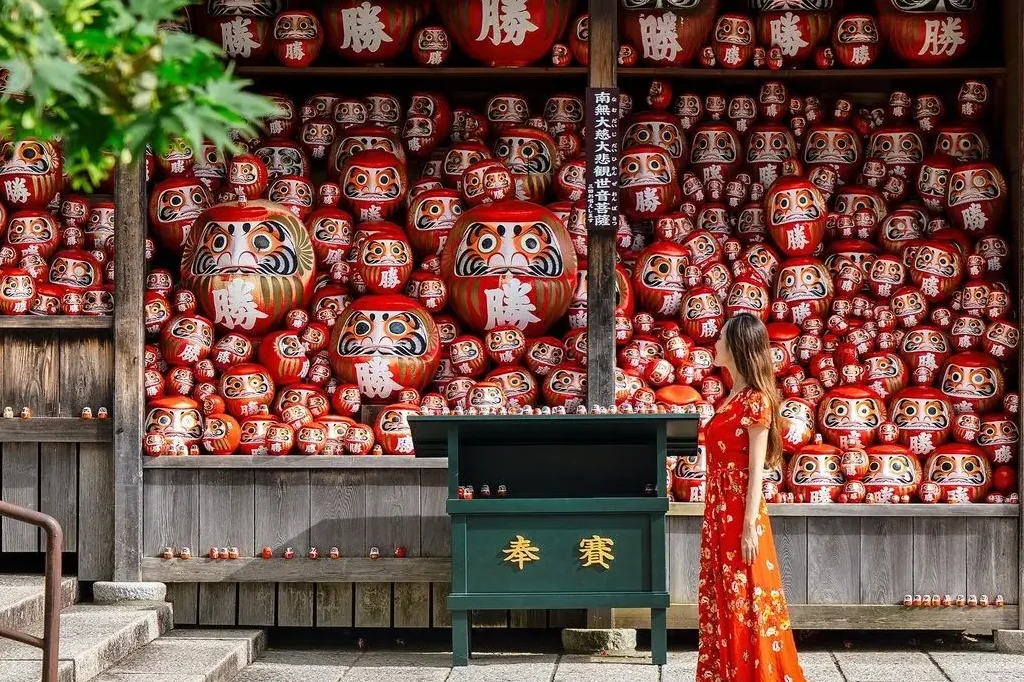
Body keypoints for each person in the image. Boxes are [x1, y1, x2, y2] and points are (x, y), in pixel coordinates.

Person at [695, 312, 806, 682]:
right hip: (718, 509)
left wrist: (748, 527)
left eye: (722, 338)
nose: (715, 343)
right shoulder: (731, 397)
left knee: (747, 595)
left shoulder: (755, 400)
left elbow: (756, 469)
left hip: (740, 511)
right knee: (724, 594)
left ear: (737, 347)